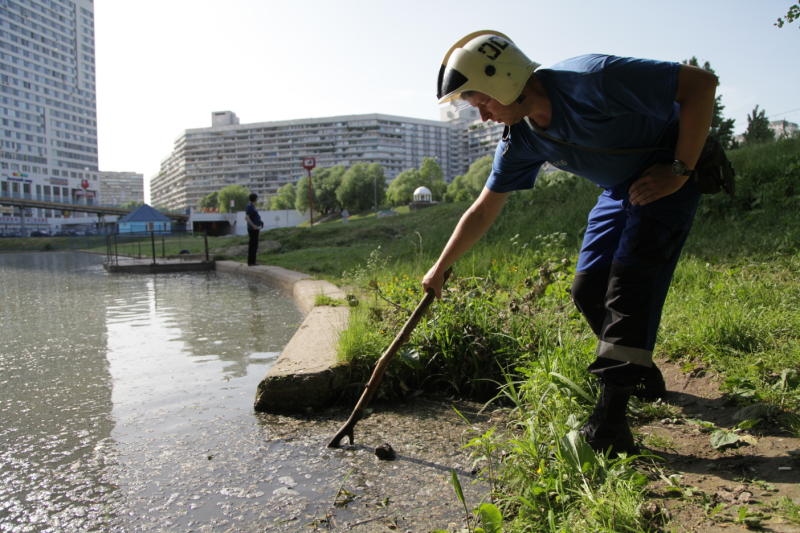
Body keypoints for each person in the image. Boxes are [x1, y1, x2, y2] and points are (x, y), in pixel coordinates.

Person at [423, 30, 718, 456]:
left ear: (503, 78)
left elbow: (700, 84)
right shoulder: (522, 138)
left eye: (483, 102)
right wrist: (440, 267)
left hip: (667, 172)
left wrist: (679, 169)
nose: (484, 117)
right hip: (619, 189)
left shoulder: (592, 78)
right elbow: (483, 209)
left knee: (630, 285)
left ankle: (611, 423)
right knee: (588, 289)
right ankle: (640, 373)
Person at [245, 193, 264, 266]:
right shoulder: (249, 206)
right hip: (253, 229)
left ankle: (253, 261)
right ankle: (251, 262)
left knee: (254, 245)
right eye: (257, 198)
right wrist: (254, 226)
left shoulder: (252, 206)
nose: (257, 200)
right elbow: (247, 218)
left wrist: (260, 222)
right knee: (253, 245)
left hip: (255, 228)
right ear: (255, 199)